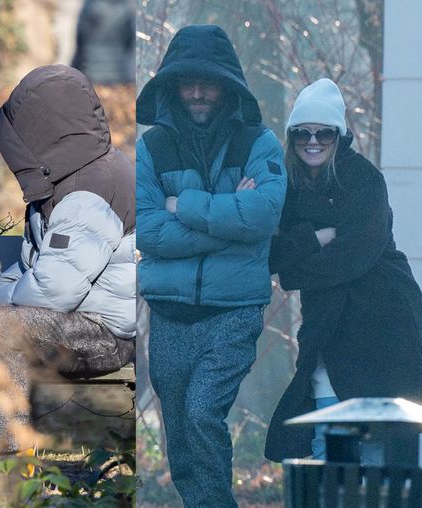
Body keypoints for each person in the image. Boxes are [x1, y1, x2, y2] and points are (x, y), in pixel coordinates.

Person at [0, 64, 136, 453]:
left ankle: (12, 470)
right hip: (60, 322)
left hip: (104, 334)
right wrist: (10, 295)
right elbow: (33, 268)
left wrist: (4, 298)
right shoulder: (59, 185)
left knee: (0, 331)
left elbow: (52, 290)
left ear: (44, 132)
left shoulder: (89, 190)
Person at [136, 24, 286, 507]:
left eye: (208, 82)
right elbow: (150, 229)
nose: (198, 92)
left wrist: (186, 205)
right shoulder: (153, 146)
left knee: (203, 413)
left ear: (228, 85)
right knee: (180, 432)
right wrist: (226, 216)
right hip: (170, 311)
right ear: (172, 86)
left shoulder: (258, 143)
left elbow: (264, 214)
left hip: (233, 310)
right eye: (188, 82)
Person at [265, 78, 422, 462]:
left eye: (324, 133)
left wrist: (296, 267)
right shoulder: (290, 187)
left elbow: (354, 257)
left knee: (386, 451)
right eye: (303, 133)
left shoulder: (364, 179)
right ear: (292, 138)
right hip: (328, 329)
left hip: (387, 326)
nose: (313, 141)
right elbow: (272, 256)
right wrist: (315, 238)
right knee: (328, 446)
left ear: (339, 136)